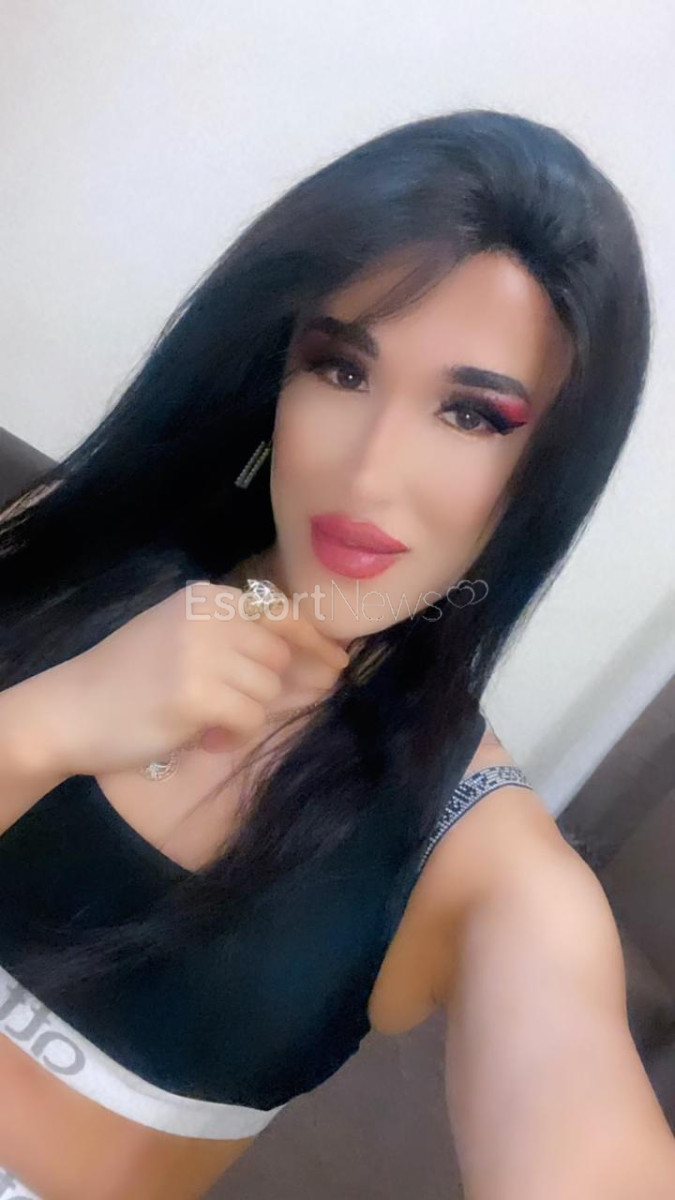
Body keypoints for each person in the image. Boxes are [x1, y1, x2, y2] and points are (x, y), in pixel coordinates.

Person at [0, 108, 672, 1200]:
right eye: (343, 370)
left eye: (470, 414)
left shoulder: (481, 860)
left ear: (545, 469)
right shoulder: (64, 553)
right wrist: (46, 725)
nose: (369, 473)